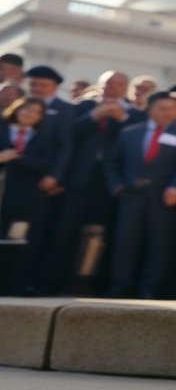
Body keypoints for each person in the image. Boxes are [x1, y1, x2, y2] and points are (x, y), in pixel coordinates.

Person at [39, 71, 145, 295]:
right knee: (64, 232)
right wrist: (95, 116)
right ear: (101, 85)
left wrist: (120, 119)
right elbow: (68, 135)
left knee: (101, 235)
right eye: (108, 83)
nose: (113, 87)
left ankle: (91, 283)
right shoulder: (83, 106)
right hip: (77, 180)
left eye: (118, 84)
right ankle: (50, 282)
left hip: (110, 184)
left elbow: (133, 144)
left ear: (125, 88)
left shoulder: (134, 115)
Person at [103, 92, 176, 298]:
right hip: (131, 195)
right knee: (125, 243)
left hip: (162, 197)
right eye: (163, 108)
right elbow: (112, 163)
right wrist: (116, 186)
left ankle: (150, 289)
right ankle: (120, 287)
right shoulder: (129, 133)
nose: (168, 113)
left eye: (172, 109)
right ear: (150, 109)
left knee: (159, 245)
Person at [0, 97, 54, 293]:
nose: (30, 113)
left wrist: (20, 155)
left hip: (26, 200)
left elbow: (47, 165)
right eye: (27, 108)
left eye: (36, 111)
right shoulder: (2, 132)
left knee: (19, 244)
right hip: (2, 194)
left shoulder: (42, 139)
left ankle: (13, 283)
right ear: (17, 109)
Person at [25, 66, 75, 190]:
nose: (37, 89)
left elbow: (65, 145)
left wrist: (54, 176)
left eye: (43, 85)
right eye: (33, 84)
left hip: (42, 171)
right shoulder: (20, 104)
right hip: (15, 167)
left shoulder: (65, 109)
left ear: (55, 86)